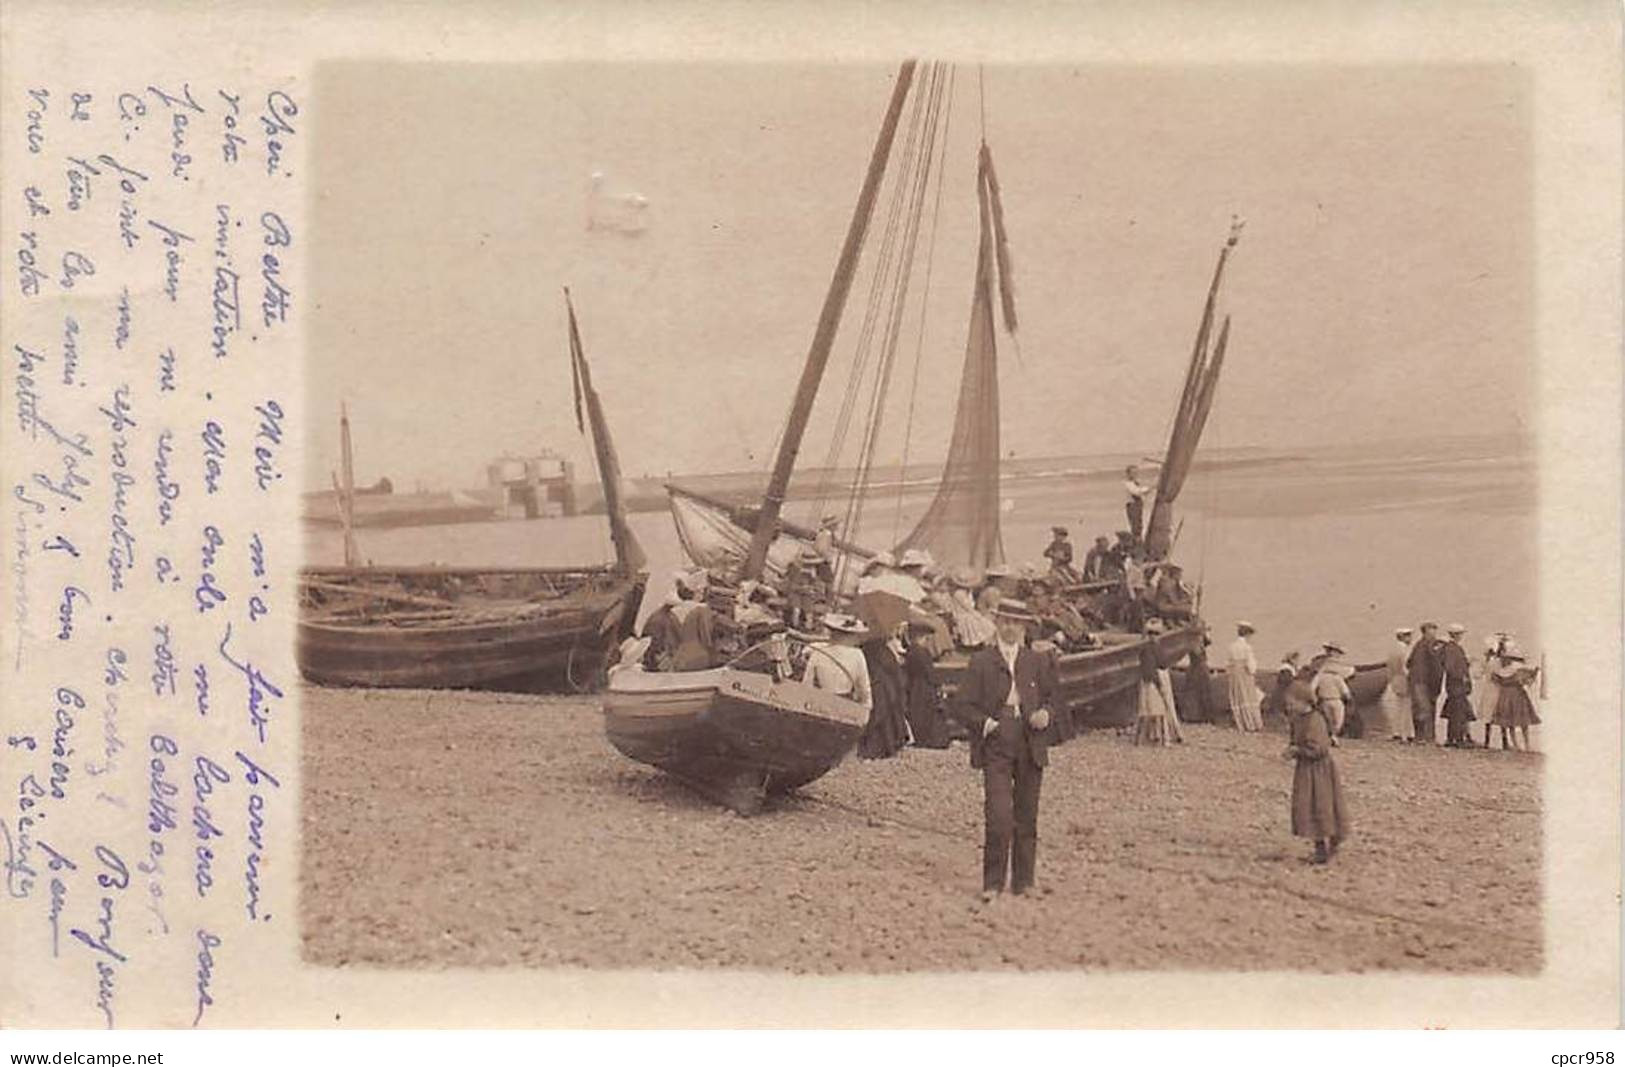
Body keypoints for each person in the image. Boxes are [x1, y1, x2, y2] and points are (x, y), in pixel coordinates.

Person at [951, 603, 1058, 902]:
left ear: (1024, 626)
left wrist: (1046, 714)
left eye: (1017, 622)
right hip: (997, 740)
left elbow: (1054, 698)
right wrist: (987, 724)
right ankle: (993, 884)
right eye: (1005, 620)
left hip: (1030, 740)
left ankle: (1024, 882)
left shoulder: (1036, 661)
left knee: (1027, 815)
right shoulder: (982, 661)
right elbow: (961, 705)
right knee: (998, 815)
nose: (1010, 627)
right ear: (996, 622)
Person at [1283, 661, 1350, 864]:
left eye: (1291, 703)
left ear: (1304, 702)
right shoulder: (1300, 719)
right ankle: (1321, 846)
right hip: (1308, 769)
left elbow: (1319, 748)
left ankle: (1329, 845)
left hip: (1318, 770)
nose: (1289, 707)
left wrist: (1297, 751)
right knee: (1311, 807)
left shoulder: (1314, 720)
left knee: (1321, 806)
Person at [858, 619, 910, 760]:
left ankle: (872, 747)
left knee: (876, 717)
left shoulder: (864, 648)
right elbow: (893, 670)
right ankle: (882, 747)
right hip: (884, 687)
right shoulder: (882, 649)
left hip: (873, 684)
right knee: (885, 718)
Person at [802, 612, 873, 710]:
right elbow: (864, 691)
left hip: (821, 706)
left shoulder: (818, 652)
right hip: (846, 706)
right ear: (850, 635)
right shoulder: (857, 655)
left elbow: (806, 686)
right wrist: (864, 709)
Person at [1488, 640, 1541, 752]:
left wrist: (1531, 676)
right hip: (1514, 694)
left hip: (1509, 694)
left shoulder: (1508, 669)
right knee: (1514, 721)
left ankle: (1523, 744)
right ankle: (1519, 744)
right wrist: (1532, 675)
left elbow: (1496, 680)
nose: (1505, 660)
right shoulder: (1516, 669)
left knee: (1518, 720)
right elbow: (1527, 682)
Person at [1134, 619, 1180, 746]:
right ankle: (1161, 739)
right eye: (1153, 634)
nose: (1155, 637)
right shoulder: (1152, 649)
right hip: (1152, 682)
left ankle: (1143, 739)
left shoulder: (1147, 648)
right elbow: (1156, 666)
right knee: (1157, 711)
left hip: (1146, 681)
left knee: (1145, 711)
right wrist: (1159, 684)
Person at [669, 570, 722, 671]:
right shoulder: (702, 609)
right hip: (699, 655)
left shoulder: (674, 611)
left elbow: (673, 639)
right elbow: (706, 636)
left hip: (680, 656)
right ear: (696, 592)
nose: (702, 594)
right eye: (701, 591)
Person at [1407, 622, 1446, 745]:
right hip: (1425, 682)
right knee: (1426, 710)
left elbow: (1408, 663)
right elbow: (1436, 666)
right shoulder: (1431, 645)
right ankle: (1427, 737)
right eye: (1432, 631)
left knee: (1419, 709)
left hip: (1417, 680)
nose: (1434, 634)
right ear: (1426, 632)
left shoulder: (1418, 645)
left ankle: (1421, 736)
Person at [1439, 623, 1476, 748]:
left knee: (1455, 711)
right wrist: (1462, 677)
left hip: (1455, 685)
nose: (1461, 637)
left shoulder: (1452, 648)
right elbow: (1450, 667)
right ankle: (1457, 739)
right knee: (1457, 712)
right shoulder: (1451, 648)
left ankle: (1452, 738)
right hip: (1456, 686)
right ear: (1456, 635)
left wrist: (1466, 664)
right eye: (1460, 634)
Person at [1226, 621, 1264, 732]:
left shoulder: (1232, 646)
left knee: (1237, 695)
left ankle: (1239, 721)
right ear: (1247, 634)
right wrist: (1253, 671)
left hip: (1234, 674)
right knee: (1248, 695)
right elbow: (1250, 664)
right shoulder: (1247, 647)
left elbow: (1228, 663)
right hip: (1244, 673)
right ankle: (1250, 722)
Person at [1311, 642, 1354, 737]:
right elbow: (1346, 689)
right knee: (1337, 720)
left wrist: (1314, 698)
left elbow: (1312, 687)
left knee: (1328, 719)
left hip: (1324, 699)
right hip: (1335, 699)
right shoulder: (1336, 673)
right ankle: (1333, 735)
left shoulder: (1320, 670)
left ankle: (1329, 735)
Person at [1381, 626, 1415, 741]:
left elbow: (1389, 667)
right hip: (1404, 680)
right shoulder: (1404, 650)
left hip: (1395, 679)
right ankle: (1407, 734)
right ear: (1403, 637)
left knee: (1398, 707)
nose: (1410, 638)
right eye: (1408, 636)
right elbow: (1406, 667)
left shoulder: (1393, 650)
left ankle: (1397, 732)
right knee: (1407, 708)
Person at [1124, 465, 1152, 546]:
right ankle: (1136, 543)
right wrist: (1149, 488)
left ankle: (1139, 542)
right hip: (1132, 506)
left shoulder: (1135, 483)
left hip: (1137, 506)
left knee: (1139, 525)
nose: (1135, 474)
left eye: (1136, 473)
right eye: (1133, 473)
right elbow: (1137, 492)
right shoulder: (1128, 484)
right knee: (1135, 526)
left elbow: (1141, 494)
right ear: (1128, 474)